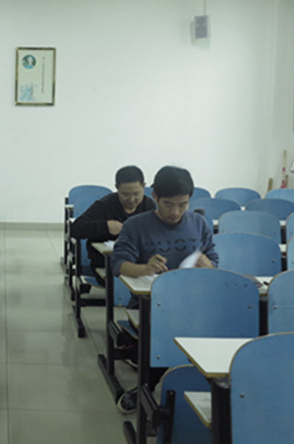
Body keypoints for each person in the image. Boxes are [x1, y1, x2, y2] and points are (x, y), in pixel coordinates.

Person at [110, 165, 218, 414]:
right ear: (155, 196)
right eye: (168, 204)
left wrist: (208, 265)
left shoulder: (199, 223)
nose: (175, 212)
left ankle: (218, 391)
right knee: (170, 332)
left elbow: (213, 260)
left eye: (183, 204)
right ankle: (145, 388)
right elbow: (119, 264)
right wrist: (144, 268)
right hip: (153, 304)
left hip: (195, 302)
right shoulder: (136, 225)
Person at [70, 165, 155, 282]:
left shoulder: (148, 206)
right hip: (105, 263)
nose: (131, 200)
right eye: (125, 194)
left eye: (136, 194)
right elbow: (75, 229)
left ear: (144, 186)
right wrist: (105, 226)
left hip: (139, 263)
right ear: (116, 188)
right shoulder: (105, 205)